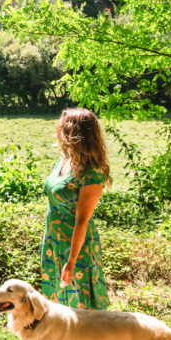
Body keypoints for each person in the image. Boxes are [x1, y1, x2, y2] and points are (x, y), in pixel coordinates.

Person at [40, 107, 112, 310]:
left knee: (81, 300)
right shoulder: (65, 160)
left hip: (77, 246)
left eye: (63, 128)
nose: (59, 132)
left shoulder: (92, 174)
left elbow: (82, 220)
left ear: (74, 132)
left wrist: (71, 261)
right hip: (54, 239)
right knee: (57, 299)